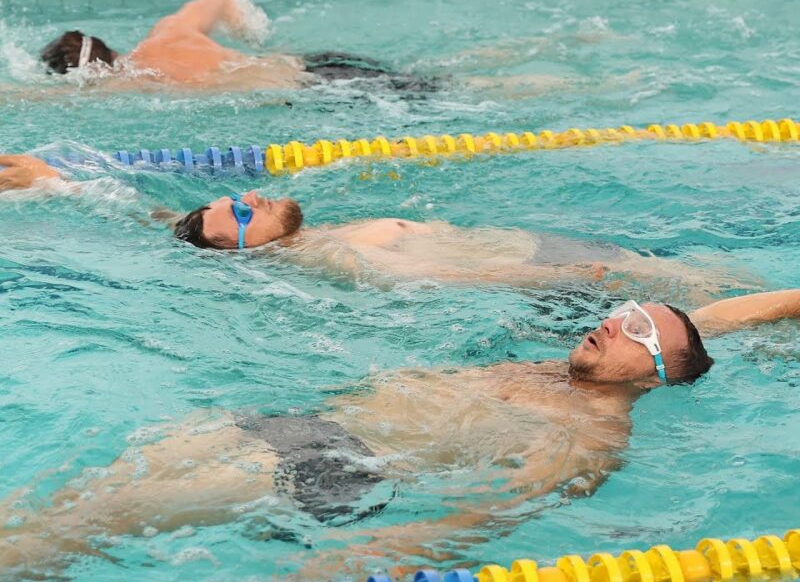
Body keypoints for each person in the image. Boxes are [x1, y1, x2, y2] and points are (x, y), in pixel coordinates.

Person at [1, 290, 798, 578]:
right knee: (63, 500)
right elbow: (728, 317)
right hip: (289, 421)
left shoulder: (592, 435)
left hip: (333, 465)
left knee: (93, 522)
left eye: (633, 329)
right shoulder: (553, 373)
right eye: (619, 310)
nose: (608, 323)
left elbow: (506, 509)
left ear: (655, 373)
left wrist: (405, 547)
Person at [0, 154, 744, 293]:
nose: (246, 199)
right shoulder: (327, 261)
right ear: (248, 256)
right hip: (549, 269)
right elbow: (438, 278)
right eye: (238, 216)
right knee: (730, 291)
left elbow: (162, 218)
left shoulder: (302, 234)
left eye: (235, 199)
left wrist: (62, 182)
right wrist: (553, 276)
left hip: (540, 250)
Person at [37, 0, 439, 92]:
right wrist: (256, 42)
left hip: (320, 89)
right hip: (310, 61)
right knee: (437, 80)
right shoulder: (167, 32)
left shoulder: (135, 80)